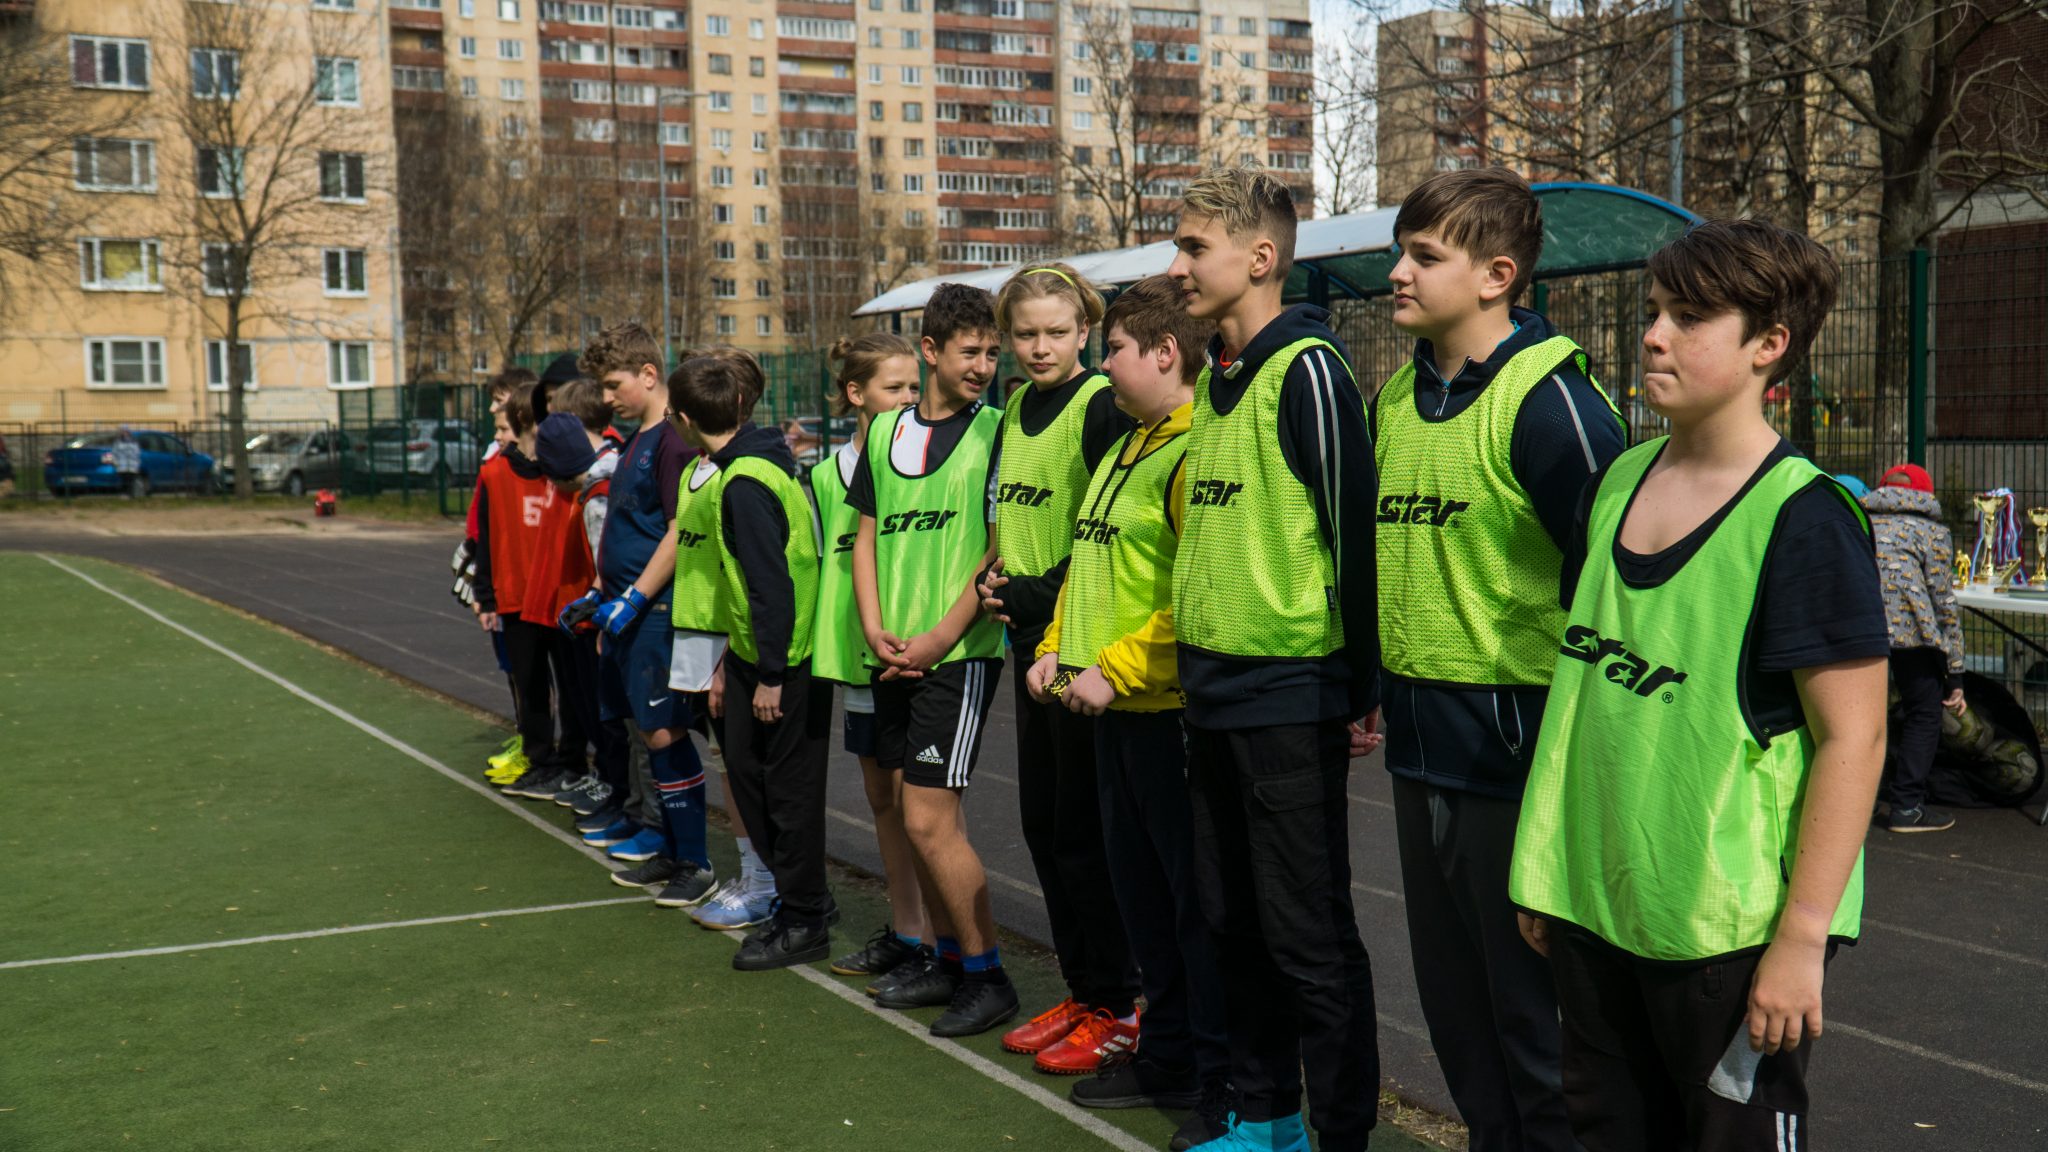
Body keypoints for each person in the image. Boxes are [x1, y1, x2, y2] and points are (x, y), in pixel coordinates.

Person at [1511, 219, 1890, 1151]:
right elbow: (1589, 695)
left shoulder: (1802, 516)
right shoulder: (1616, 483)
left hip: (1726, 932)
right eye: (1653, 312)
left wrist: (1802, 940)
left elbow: (1856, 737)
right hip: (1598, 906)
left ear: (1769, 346)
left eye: (1690, 317)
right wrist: (1547, 872)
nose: (1653, 335)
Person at [1372, 167, 1626, 1152]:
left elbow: (1610, 598)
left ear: (1496, 275)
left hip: (1515, 762)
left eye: (1422, 257)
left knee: (1531, 1023)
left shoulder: (1553, 404)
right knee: (1455, 1014)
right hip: (1415, 748)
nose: (1396, 273)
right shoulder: (1394, 395)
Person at [1165, 166, 1381, 1152]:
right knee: (1230, 923)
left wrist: (1357, 688)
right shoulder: (1213, 377)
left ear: (1258, 259)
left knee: (1306, 939)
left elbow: (1352, 539)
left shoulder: (1309, 370)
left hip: (1287, 699)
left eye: (1190, 248)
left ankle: (1339, 1136)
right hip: (1208, 696)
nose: (1175, 267)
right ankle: (1267, 1119)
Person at [1025, 274, 1231, 1148]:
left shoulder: (1195, 450)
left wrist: (1114, 664)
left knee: (1194, 909)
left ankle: (1213, 1078)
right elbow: (1086, 561)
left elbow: (1196, 591)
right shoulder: (1125, 445)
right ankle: (1167, 1049)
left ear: (1163, 353)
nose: (1100, 364)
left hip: (1165, 714)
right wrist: (1054, 647)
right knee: (1142, 901)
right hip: (1112, 714)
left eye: (1110, 348)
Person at [977, 263, 1139, 1072]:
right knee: (1043, 828)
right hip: (1029, 646)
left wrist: (1044, 593)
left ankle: (1120, 1004)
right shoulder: (1012, 407)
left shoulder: (1100, 406)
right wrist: (995, 573)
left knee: (1086, 836)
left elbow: (1108, 530)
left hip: (1080, 652)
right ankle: (1085, 989)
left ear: (1086, 331)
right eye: (1025, 333)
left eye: (1055, 332)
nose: (1039, 347)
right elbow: (1013, 515)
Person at [848, 282, 1017, 1037]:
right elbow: (865, 537)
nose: (984, 364)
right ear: (930, 352)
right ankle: (948, 961)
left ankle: (989, 974)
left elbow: (999, 545)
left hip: (959, 654)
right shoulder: (884, 434)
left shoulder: (1000, 432)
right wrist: (877, 627)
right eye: (969, 351)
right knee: (914, 817)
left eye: (991, 351)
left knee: (927, 820)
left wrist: (942, 636)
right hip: (892, 654)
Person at [568, 323, 717, 908]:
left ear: (649, 375)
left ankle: (697, 862)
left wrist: (635, 598)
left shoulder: (674, 441)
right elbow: (629, 530)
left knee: (665, 731)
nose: (607, 397)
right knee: (650, 733)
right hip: (629, 613)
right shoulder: (637, 440)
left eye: (614, 384)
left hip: (658, 613)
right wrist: (601, 592)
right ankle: (676, 851)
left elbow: (681, 530)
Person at [811, 333, 930, 980]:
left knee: (923, 806)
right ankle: (908, 931)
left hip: (917, 658)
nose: (909, 399)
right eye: (895, 388)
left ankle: (940, 941)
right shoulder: (826, 477)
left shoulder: (924, 461)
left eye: (915, 387)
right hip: (861, 664)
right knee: (883, 800)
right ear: (857, 395)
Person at [534, 387, 631, 827]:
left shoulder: (598, 493)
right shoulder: (604, 477)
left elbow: (608, 562)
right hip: (598, 614)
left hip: (610, 622)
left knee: (615, 718)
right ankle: (616, 789)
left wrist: (599, 609)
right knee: (603, 713)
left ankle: (624, 799)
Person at [1864, 462, 1966, 833]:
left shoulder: (1860, 522)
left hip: (1860, 629)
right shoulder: (1932, 531)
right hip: (1912, 634)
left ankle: (1858, 799)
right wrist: (1955, 672)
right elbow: (1943, 602)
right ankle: (1906, 806)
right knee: (1924, 710)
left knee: (1862, 715)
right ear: (1927, 494)